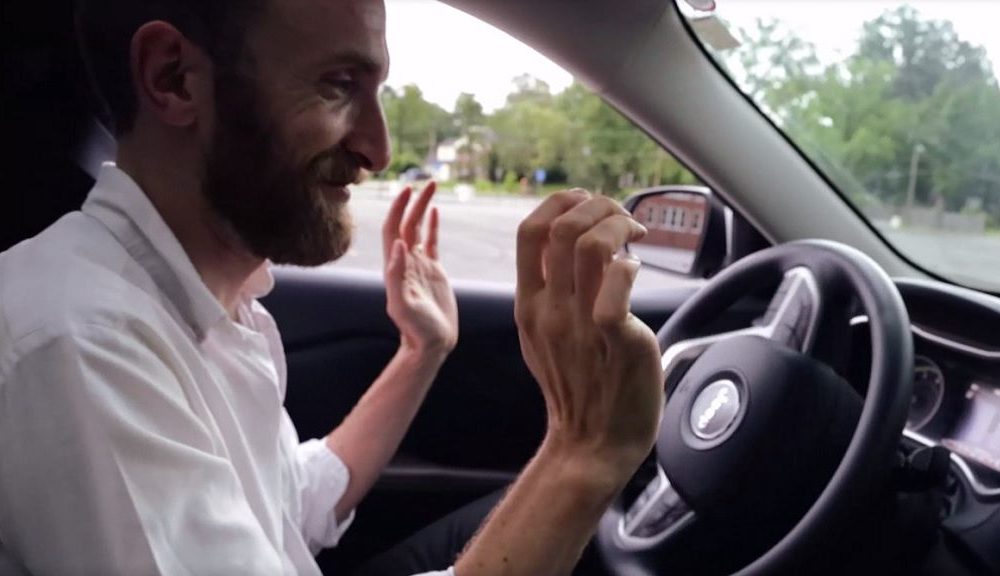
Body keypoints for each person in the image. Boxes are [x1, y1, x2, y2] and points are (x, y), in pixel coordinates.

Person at [0, 0, 664, 574]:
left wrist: (421, 351)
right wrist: (584, 455)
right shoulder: (79, 340)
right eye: (339, 86)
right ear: (173, 78)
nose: (378, 149)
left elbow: (289, 505)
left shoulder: (212, 305)